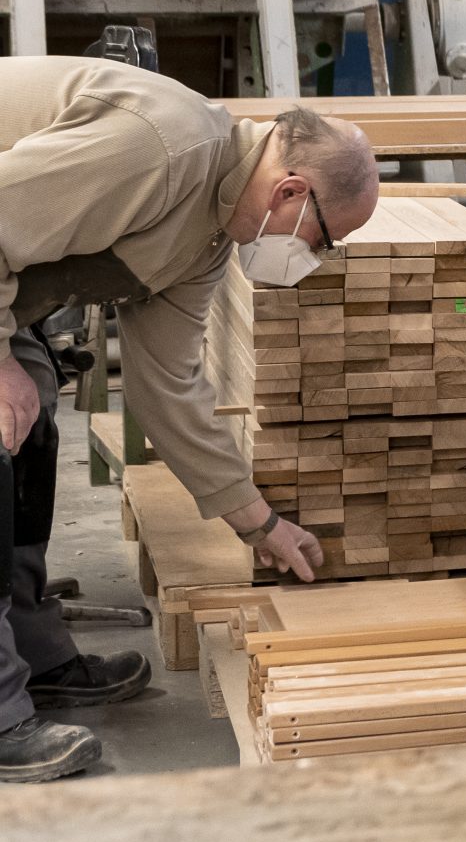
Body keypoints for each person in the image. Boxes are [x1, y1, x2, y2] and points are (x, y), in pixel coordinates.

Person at [0, 58, 379, 781]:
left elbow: (169, 388)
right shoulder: (162, 148)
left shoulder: (207, 236)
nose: (318, 259)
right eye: (325, 240)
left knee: (35, 393)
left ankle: (32, 649)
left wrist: (259, 522)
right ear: (292, 191)